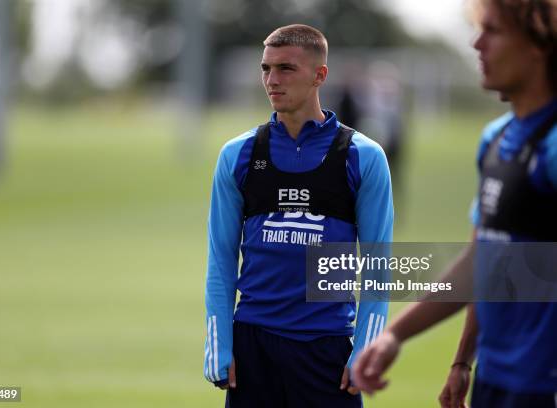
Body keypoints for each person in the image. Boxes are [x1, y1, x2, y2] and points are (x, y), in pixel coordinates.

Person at [353, 0, 557, 407]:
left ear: (539, 43)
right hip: (495, 380)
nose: (477, 44)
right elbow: (484, 261)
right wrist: (403, 337)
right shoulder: (496, 140)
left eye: (493, 31)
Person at [203, 24, 393, 407]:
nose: (272, 80)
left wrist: (366, 350)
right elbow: (221, 258)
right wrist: (219, 341)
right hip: (253, 347)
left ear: (320, 75)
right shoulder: (237, 155)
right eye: (266, 69)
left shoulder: (363, 156)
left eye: (286, 68)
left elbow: (377, 264)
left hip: (326, 349)